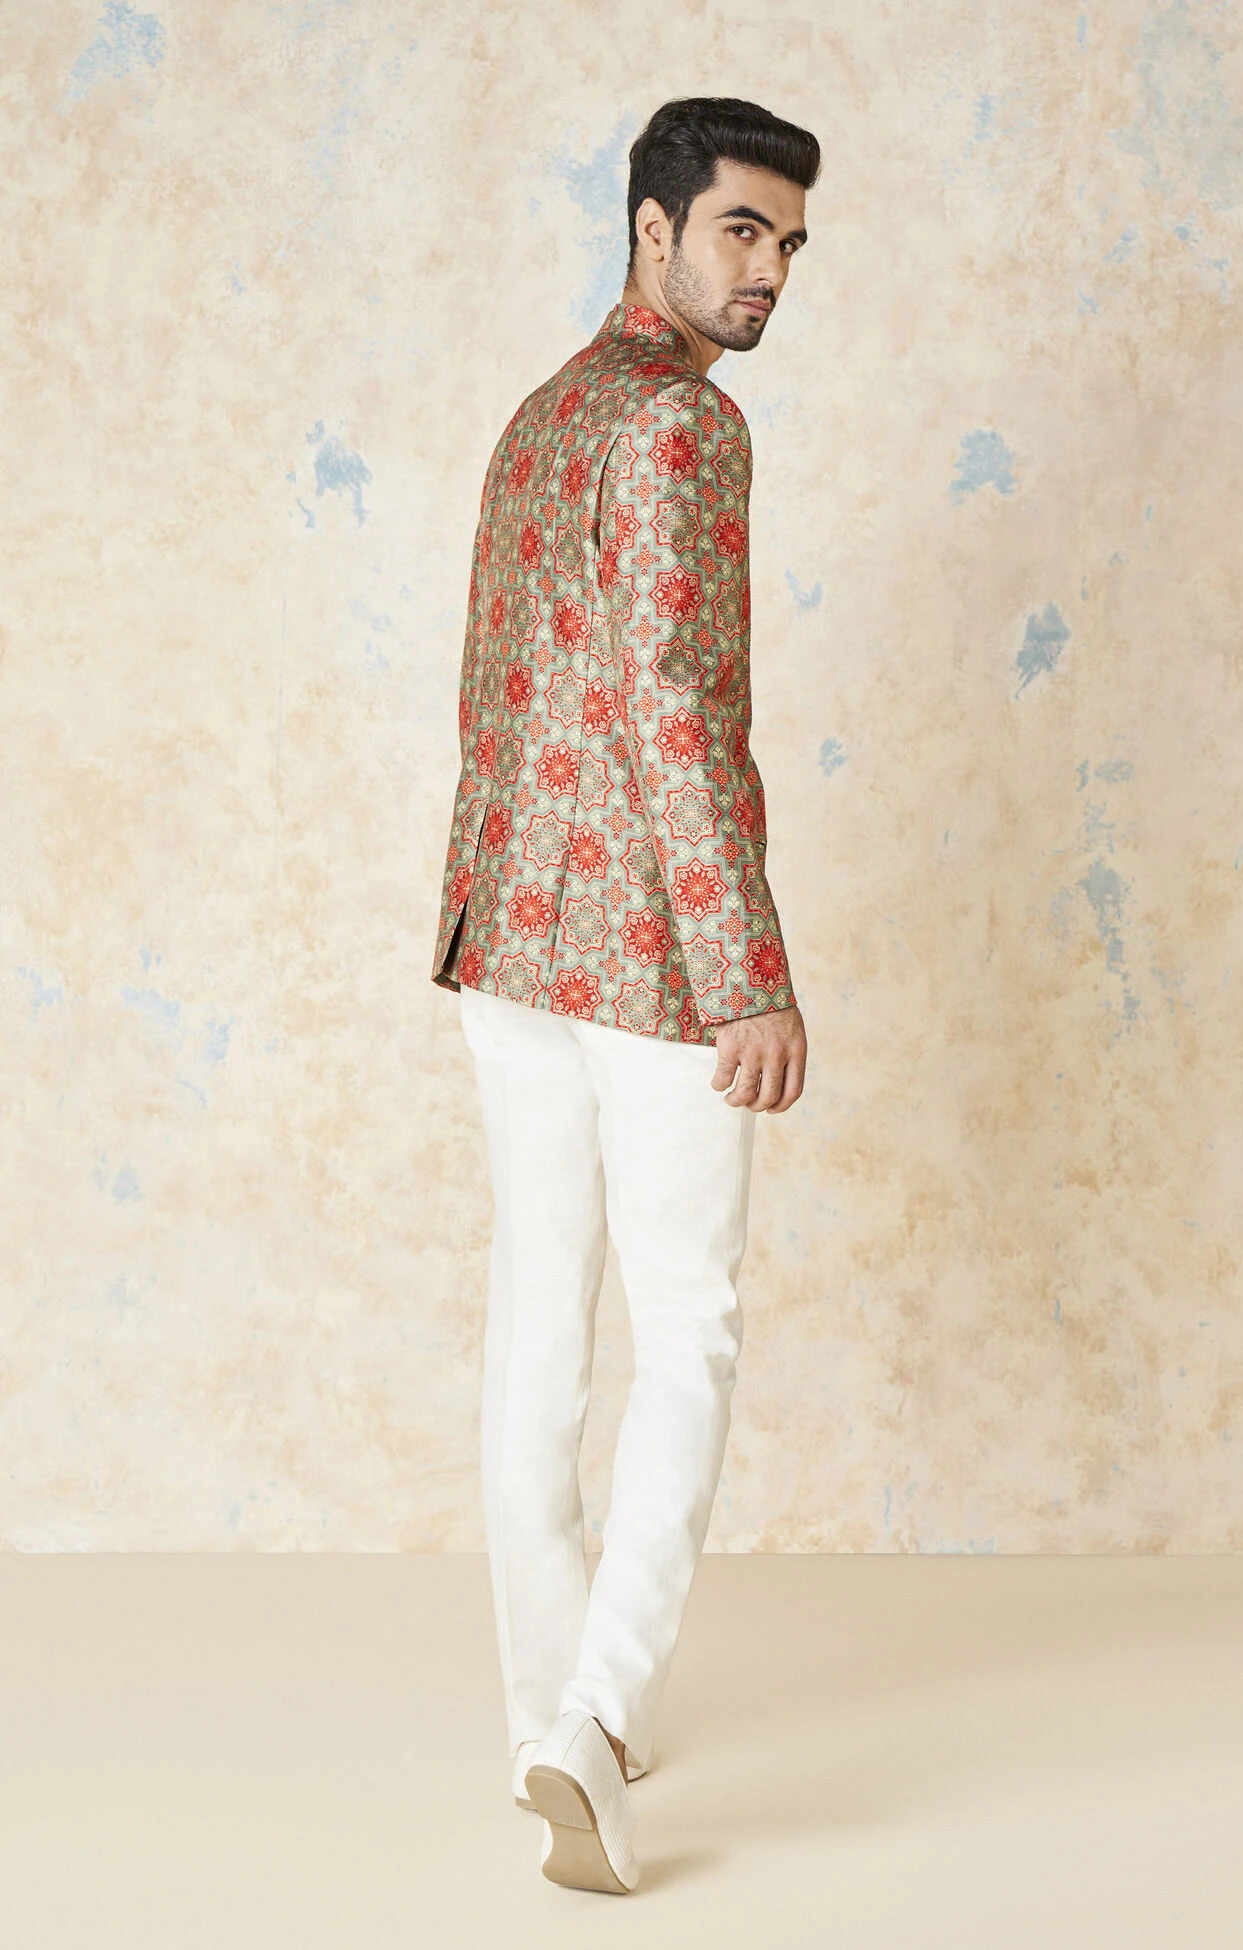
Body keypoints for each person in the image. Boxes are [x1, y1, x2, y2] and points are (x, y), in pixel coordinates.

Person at [431, 95, 820, 1894]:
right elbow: (675, 706)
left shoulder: (539, 415)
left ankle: (546, 1705)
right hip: (650, 956)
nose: (769, 270)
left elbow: (494, 692)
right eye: (741, 229)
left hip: (506, 935)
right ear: (653, 229)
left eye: (787, 243)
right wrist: (749, 974)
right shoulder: (682, 424)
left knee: (539, 1318)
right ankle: (590, 1718)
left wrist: (481, 905)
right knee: (688, 1327)